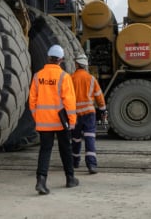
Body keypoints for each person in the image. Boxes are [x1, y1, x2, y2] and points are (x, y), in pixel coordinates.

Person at [29, 44, 79, 195]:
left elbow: (32, 101)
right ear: (61, 60)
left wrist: (37, 117)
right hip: (60, 122)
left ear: (48, 58)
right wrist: (72, 121)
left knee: (45, 151)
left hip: (43, 122)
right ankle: (70, 179)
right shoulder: (64, 77)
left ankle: (41, 181)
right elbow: (69, 102)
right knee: (66, 149)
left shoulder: (38, 76)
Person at [71, 53, 108, 174]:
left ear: (76, 64)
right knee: (90, 138)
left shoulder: (71, 78)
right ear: (86, 65)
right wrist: (103, 110)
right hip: (89, 114)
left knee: (75, 139)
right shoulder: (92, 79)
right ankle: (91, 165)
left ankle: (75, 162)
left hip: (75, 115)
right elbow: (99, 96)